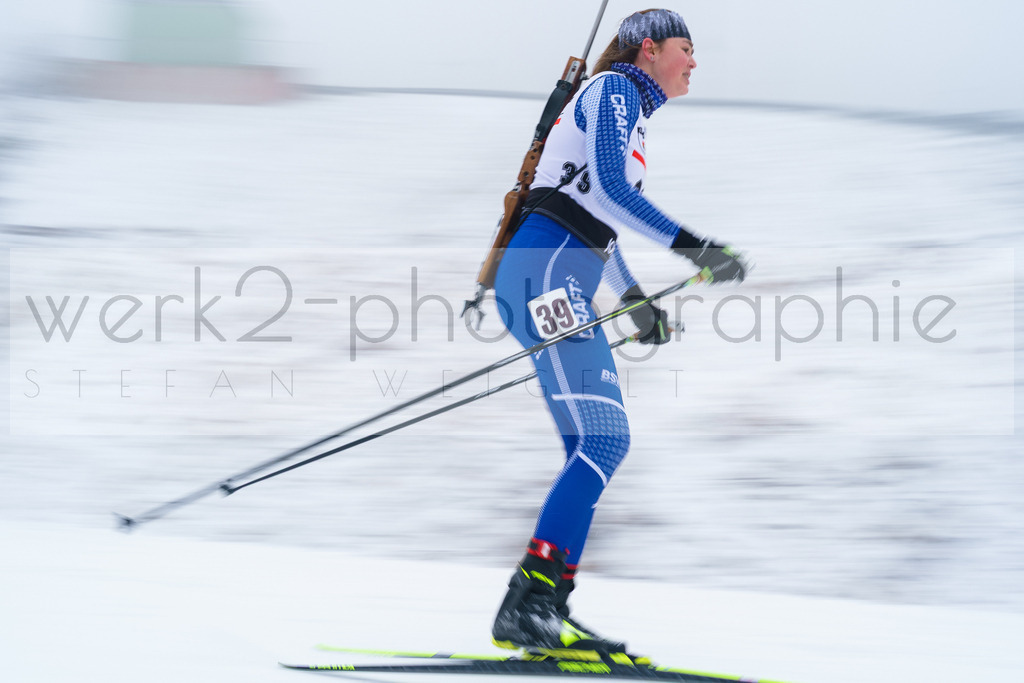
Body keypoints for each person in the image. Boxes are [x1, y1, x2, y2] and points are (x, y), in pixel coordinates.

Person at [490, 9, 748, 660]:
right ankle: (530, 605)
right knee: (605, 438)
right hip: (545, 276)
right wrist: (696, 247)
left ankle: (545, 606)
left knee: (593, 442)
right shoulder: (613, 90)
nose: (694, 63)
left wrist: (632, 297)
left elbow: (597, 216)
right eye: (687, 49)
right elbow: (607, 191)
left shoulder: (626, 112)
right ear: (650, 48)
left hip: (554, 276)